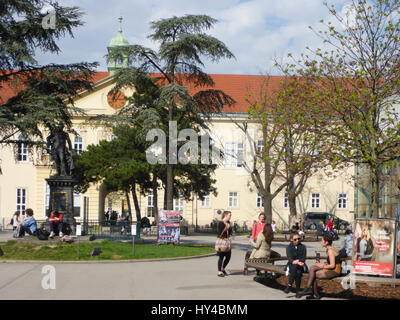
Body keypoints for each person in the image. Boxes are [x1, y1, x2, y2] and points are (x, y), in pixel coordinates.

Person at [298, 233, 341, 299]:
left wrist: (322, 266)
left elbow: (332, 265)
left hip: (335, 271)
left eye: (322, 240)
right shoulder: (329, 249)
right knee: (312, 269)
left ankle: (312, 292)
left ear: (326, 242)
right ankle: (310, 290)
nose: (321, 242)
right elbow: (331, 262)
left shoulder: (330, 250)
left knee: (313, 274)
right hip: (331, 269)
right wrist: (323, 264)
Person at [284, 232, 307, 297]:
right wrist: (297, 262)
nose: (297, 240)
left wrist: (299, 262)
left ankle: (289, 285)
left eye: (298, 239)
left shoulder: (303, 247)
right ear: (291, 240)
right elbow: (290, 259)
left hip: (301, 265)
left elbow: (303, 258)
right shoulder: (288, 247)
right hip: (291, 265)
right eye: (295, 239)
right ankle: (297, 292)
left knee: (298, 270)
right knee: (298, 272)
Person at [217, 211, 233, 277]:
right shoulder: (221, 223)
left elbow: (230, 232)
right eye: (229, 215)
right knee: (221, 257)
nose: (230, 217)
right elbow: (220, 232)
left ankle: (223, 268)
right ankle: (219, 271)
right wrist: (227, 227)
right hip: (222, 242)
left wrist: (230, 230)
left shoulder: (228, 223)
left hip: (227, 242)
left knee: (228, 257)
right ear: (226, 215)